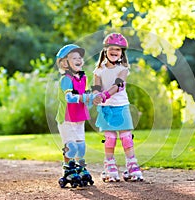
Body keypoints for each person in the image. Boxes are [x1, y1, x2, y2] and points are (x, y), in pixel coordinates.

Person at [92, 33, 144, 182]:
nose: (115, 51)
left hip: (121, 106)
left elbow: (118, 85)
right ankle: (110, 166)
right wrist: (96, 95)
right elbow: (96, 86)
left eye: (118, 49)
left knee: (126, 137)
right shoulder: (98, 70)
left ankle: (132, 166)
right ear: (105, 50)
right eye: (112, 48)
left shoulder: (123, 69)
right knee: (110, 138)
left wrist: (104, 95)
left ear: (122, 53)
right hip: (106, 108)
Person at [55, 44, 96, 186]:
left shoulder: (82, 78)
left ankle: (80, 167)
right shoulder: (66, 79)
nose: (79, 59)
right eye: (74, 58)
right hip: (66, 118)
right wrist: (84, 97)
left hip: (79, 118)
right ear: (65, 63)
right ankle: (68, 169)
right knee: (71, 146)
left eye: (80, 57)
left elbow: (84, 98)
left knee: (81, 146)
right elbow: (69, 98)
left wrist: (92, 98)